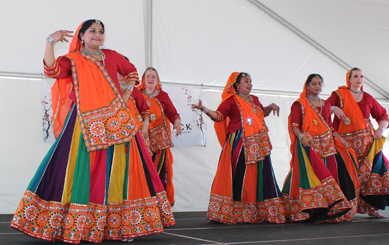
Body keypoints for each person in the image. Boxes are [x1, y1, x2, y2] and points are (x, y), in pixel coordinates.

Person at [10, 20, 175, 244]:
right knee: (81, 169)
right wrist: (51, 40)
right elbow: (52, 70)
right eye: (92, 31)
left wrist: (124, 97)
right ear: (81, 36)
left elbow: (132, 73)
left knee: (117, 171)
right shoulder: (74, 59)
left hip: (116, 122)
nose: (97, 35)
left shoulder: (113, 56)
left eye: (101, 32)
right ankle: (79, 223)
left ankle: (120, 224)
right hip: (84, 123)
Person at [191, 72, 286, 224]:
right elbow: (219, 116)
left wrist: (270, 107)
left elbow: (260, 114)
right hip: (239, 143)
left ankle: (257, 210)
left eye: (250, 81)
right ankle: (237, 211)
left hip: (258, 143)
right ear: (236, 85)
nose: (249, 84)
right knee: (239, 174)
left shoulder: (254, 99)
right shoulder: (231, 100)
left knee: (259, 175)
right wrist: (204, 109)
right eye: (246, 81)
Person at [282, 74, 359, 223]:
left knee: (329, 174)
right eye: (314, 84)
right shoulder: (300, 104)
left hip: (327, 146)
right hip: (308, 146)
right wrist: (301, 137)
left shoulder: (326, 105)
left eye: (319, 84)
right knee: (311, 176)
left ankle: (327, 208)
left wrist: (341, 138)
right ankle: (308, 209)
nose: (317, 86)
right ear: (307, 86)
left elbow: (329, 127)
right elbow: (294, 126)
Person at [326, 68, 389, 218]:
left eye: (362, 76)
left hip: (366, 144)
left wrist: (381, 129)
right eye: (356, 76)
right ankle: (345, 208)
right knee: (346, 174)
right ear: (349, 79)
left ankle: (371, 208)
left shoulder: (368, 98)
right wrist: (334, 108)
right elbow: (323, 109)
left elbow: (383, 115)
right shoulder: (338, 95)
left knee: (369, 175)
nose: (359, 79)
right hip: (344, 144)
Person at [137, 67, 182, 206]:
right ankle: (142, 202)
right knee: (141, 170)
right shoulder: (136, 94)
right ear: (143, 79)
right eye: (148, 76)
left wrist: (177, 123)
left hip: (160, 141)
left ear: (157, 80)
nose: (150, 79)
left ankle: (160, 204)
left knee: (160, 171)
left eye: (153, 77)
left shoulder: (163, 96)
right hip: (140, 139)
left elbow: (173, 114)